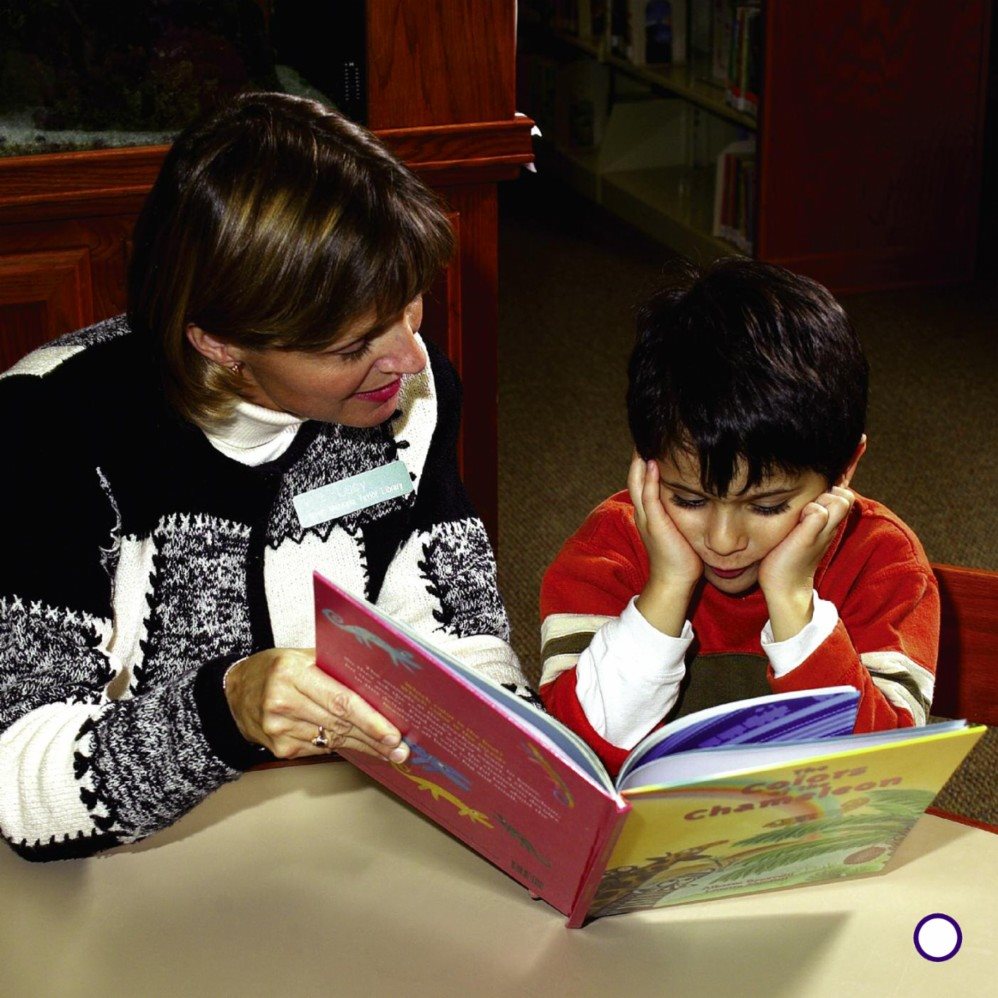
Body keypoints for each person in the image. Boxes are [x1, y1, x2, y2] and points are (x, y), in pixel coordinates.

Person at [0, 92, 531, 860]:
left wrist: (513, 758)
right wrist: (226, 713)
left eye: (409, 304)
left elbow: (453, 621)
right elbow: (21, 784)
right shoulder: (44, 427)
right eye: (352, 346)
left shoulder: (409, 390)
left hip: (338, 837)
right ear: (218, 341)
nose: (412, 359)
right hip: (127, 866)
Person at [540, 259, 939, 775]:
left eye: (768, 506)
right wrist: (665, 589)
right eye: (687, 499)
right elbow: (574, 762)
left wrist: (793, 601)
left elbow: (880, 777)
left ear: (844, 472)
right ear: (646, 464)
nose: (724, 540)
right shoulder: (608, 549)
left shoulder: (884, 564)